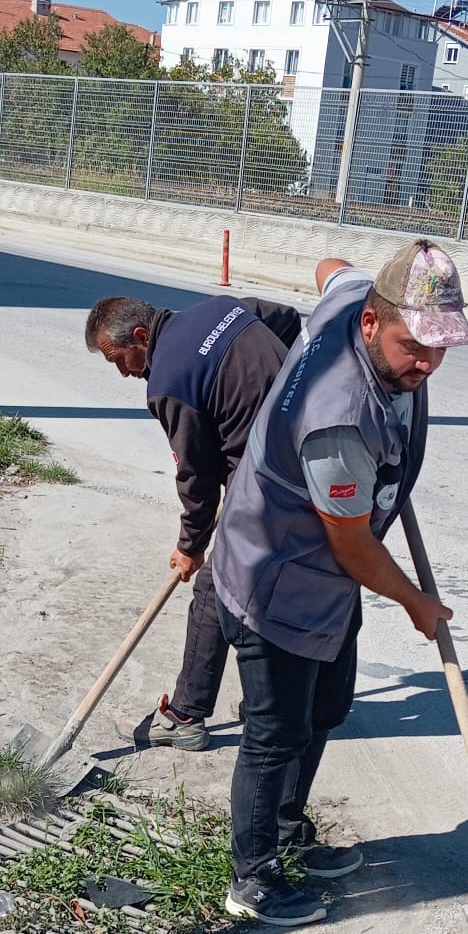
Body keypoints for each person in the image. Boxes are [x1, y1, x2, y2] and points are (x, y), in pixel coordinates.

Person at [209, 239, 468, 926]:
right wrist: (417, 603)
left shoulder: (349, 300)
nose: (425, 363)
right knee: (276, 732)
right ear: (369, 324)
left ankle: (289, 830)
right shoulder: (339, 418)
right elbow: (353, 546)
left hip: (326, 583)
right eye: (412, 345)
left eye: (439, 348)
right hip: (279, 576)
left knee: (324, 711)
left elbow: (332, 266)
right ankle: (253, 876)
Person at [85, 288, 303, 749]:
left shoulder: (168, 382)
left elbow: (197, 477)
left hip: (266, 478)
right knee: (273, 583)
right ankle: (277, 699)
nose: (123, 372)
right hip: (308, 452)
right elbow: (286, 317)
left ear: (141, 336)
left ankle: (185, 715)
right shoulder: (221, 308)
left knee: (214, 587)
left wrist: (190, 546)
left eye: (118, 359)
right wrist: (283, 388)